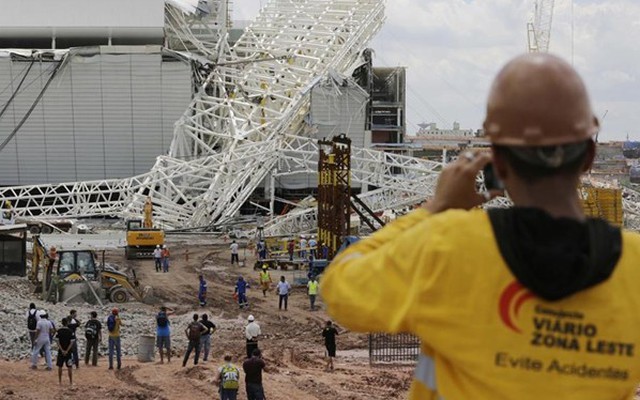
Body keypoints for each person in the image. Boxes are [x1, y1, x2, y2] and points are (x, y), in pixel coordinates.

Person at [322, 53, 640, 399]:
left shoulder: (448, 246)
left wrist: (436, 208)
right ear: (589, 156)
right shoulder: (634, 269)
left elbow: (342, 290)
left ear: (498, 164)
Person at [55, 317, 74, 385]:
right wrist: (67, 350)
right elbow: (72, 342)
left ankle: (60, 381)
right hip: (68, 352)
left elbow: (57, 341)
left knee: (60, 366)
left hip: (61, 351)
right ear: (67, 323)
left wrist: (62, 350)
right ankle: (70, 382)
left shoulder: (59, 331)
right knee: (69, 366)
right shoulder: (70, 331)